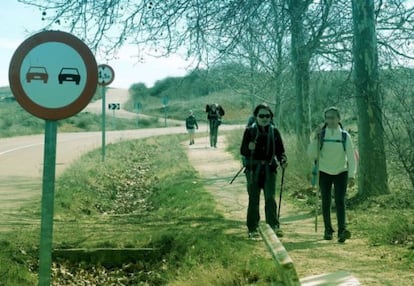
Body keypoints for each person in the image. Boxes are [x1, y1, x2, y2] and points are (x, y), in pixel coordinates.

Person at [307, 106, 357, 243]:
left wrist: (352, 175)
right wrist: (315, 139)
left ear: (339, 119)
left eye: (333, 117)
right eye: (327, 118)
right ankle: (328, 230)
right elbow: (310, 154)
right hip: (324, 171)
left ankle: (342, 231)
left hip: (341, 171)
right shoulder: (321, 134)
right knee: (326, 201)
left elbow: (351, 157)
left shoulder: (345, 136)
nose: (330, 120)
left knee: (340, 201)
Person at [240, 103, 287, 239]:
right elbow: (243, 151)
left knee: (270, 198)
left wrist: (283, 160)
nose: (264, 118)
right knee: (253, 199)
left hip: (269, 169)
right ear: (256, 116)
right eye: (261, 115)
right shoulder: (249, 131)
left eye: (267, 115)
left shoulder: (275, 131)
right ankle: (253, 228)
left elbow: (280, 152)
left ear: (271, 117)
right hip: (253, 170)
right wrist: (249, 147)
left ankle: (273, 226)